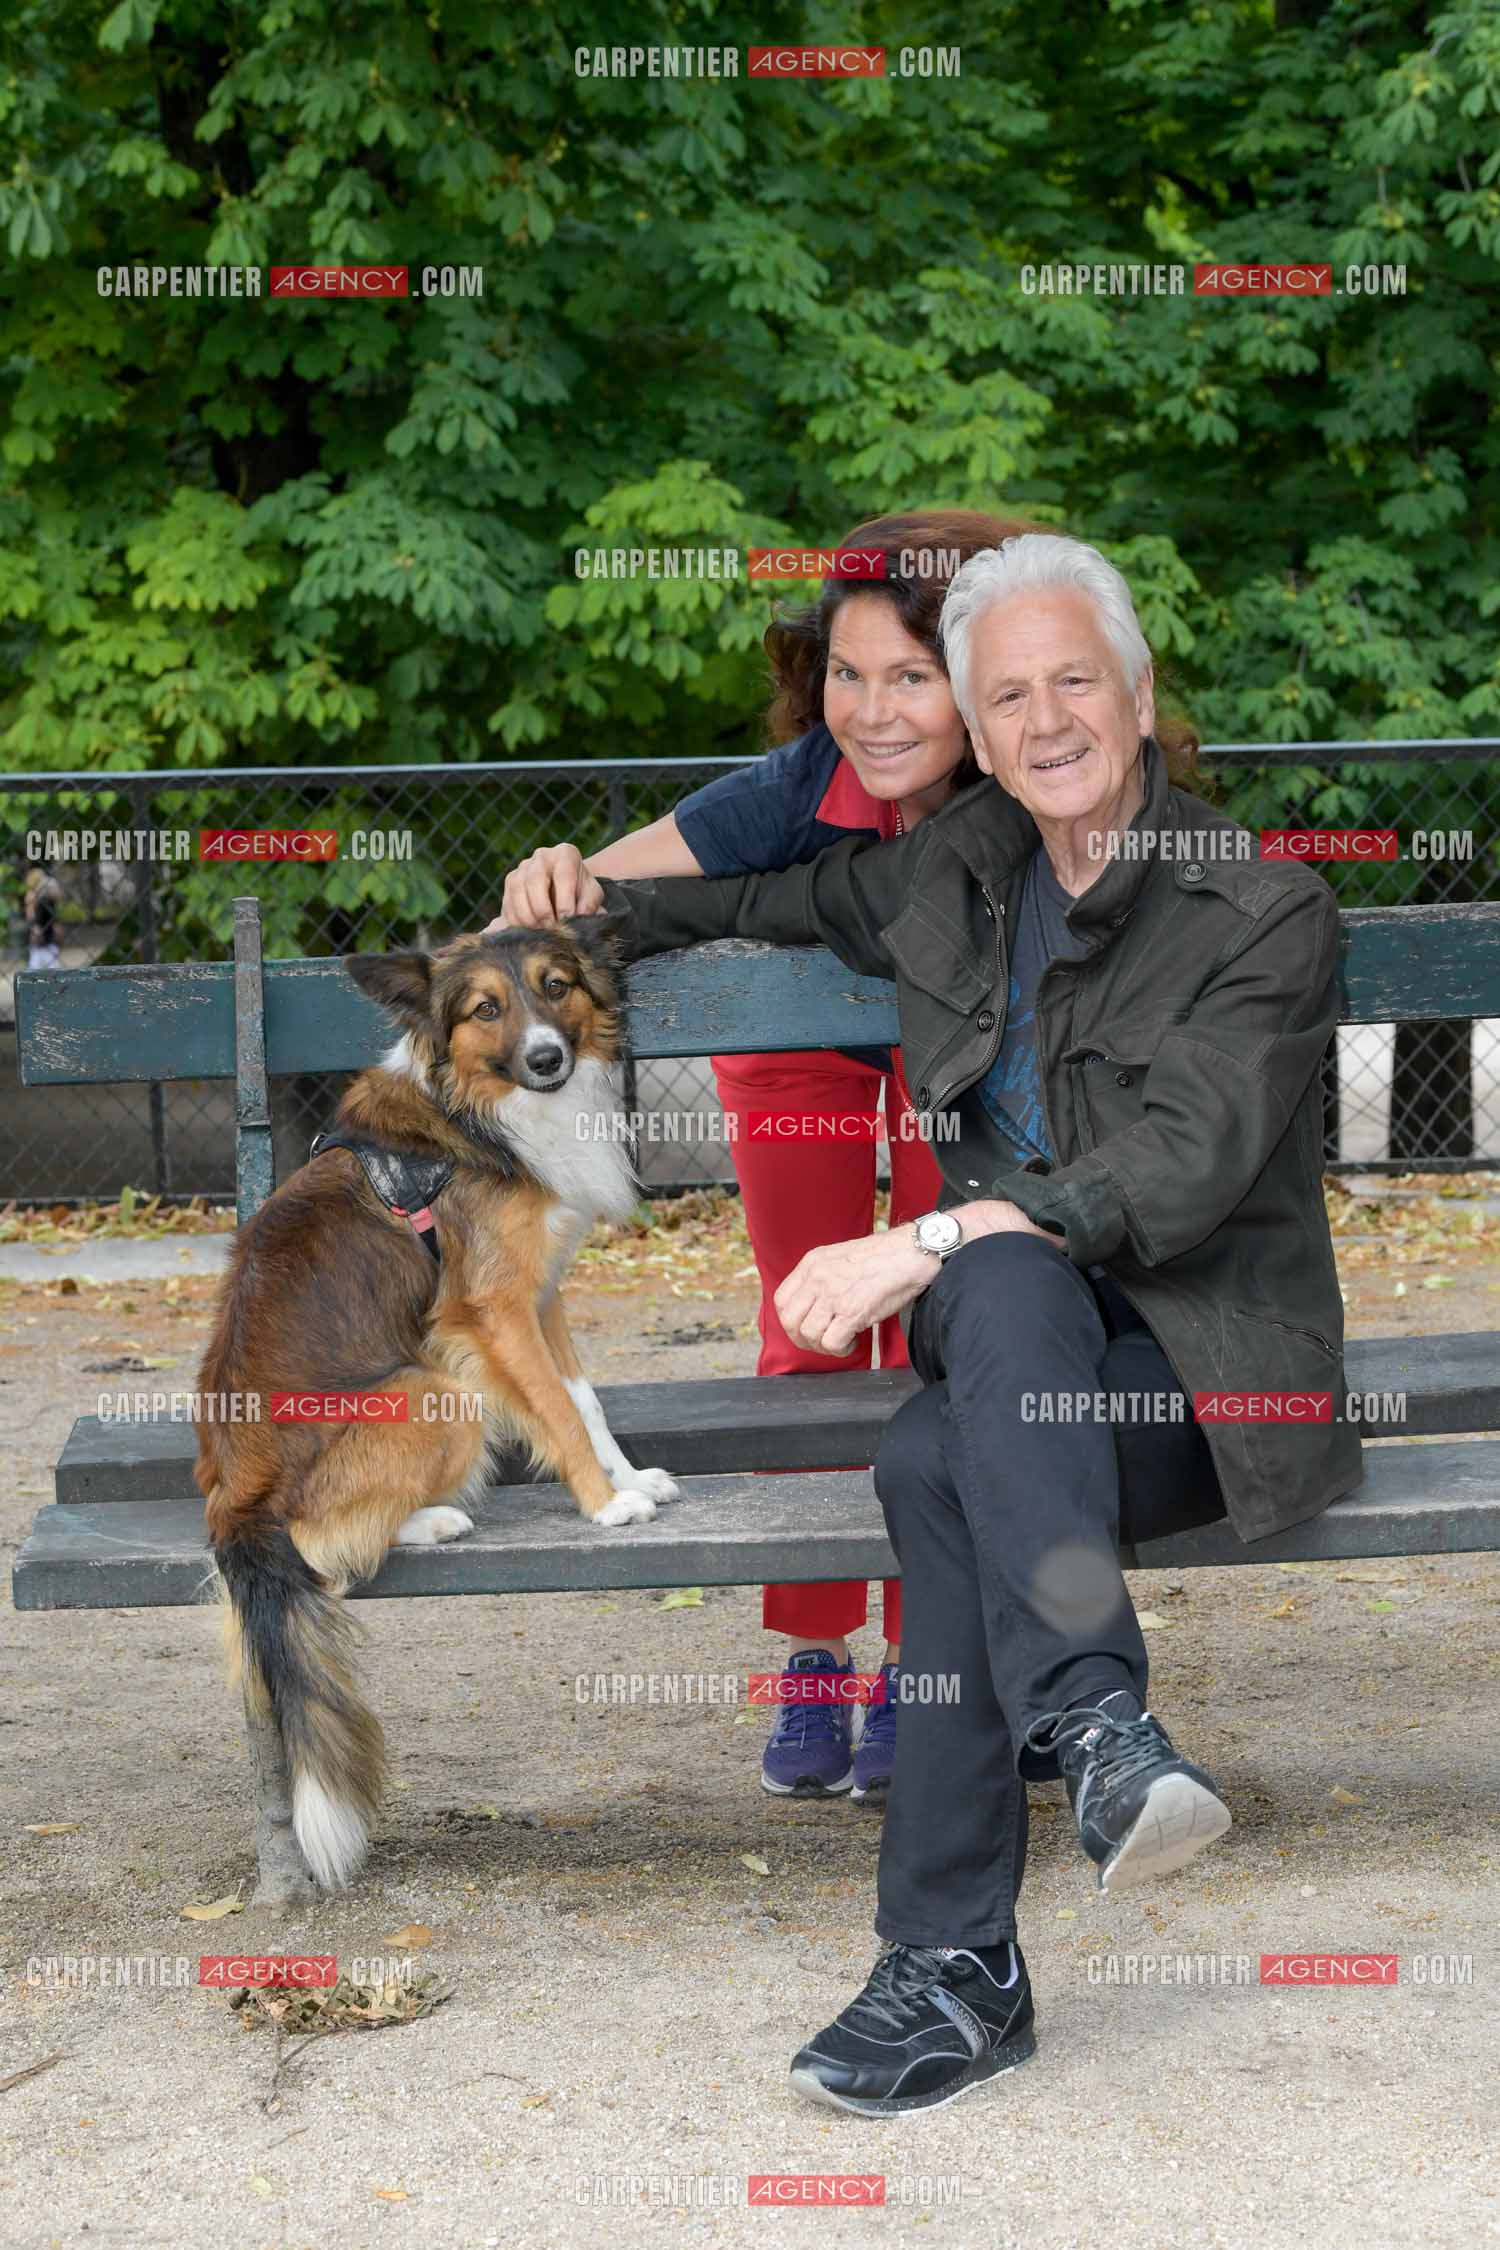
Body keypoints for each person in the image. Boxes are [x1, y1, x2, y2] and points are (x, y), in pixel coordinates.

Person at [510, 532, 1361, 2115]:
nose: (1045, 721)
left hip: (1209, 1392)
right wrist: (570, 908)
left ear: (1138, 690)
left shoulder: (1264, 904)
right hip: (1026, 1362)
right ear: (979, 719)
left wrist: (934, 1227)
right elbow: (740, 892)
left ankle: (954, 1962)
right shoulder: (953, 869)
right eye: (1008, 692)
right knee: (996, 1300)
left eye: (1074, 683)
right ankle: (1097, 1731)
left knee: (936, 1458)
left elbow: (1179, 1167)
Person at [494, 510, 1053, 1803]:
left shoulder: (1036, 774)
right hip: (801, 1055)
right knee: (805, 1318)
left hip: (954, 1059)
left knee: (946, 1323)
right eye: (848, 674)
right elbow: (581, 902)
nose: (874, 709)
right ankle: (814, 1655)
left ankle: (932, 1667)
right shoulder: (796, 785)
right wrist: (548, 878)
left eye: (911, 677)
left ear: (979, 678)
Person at [24, 865, 62, 969]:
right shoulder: (32, 895)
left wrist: (56, 924)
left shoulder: (48, 893)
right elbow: (30, 914)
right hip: (39, 930)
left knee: (52, 964)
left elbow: (56, 900)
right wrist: (35, 928)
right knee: (36, 963)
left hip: (48, 932)